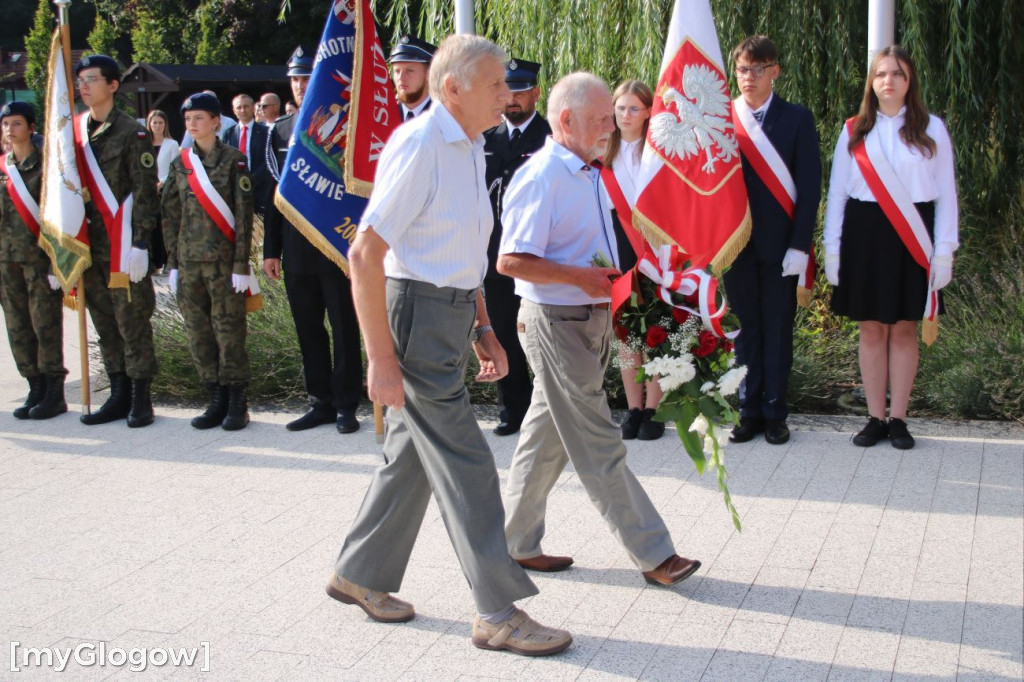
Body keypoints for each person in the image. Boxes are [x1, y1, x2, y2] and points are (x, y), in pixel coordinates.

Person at [328, 34, 572, 658]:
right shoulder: (421, 145)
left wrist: (483, 324)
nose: (508, 94)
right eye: (496, 85)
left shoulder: (468, 144)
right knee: (466, 461)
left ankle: (360, 572)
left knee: (413, 455)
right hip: (414, 318)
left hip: (448, 311)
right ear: (453, 87)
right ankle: (497, 612)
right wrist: (381, 360)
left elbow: (461, 252)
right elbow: (366, 254)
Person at [498, 72, 701, 585]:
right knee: (598, 441)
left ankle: (513, 545)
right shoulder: (542, 174)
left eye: (611, 119)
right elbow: (511, 261)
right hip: (554, 323)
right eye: (599, 120)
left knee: (544, 439)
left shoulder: (588, 170)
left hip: (588, 319)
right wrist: (583, 278)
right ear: (565, 120)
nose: (609, 128)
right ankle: (655, 554)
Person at [825, 45, 957, 450]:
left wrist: (944, 249)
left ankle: (898, 419)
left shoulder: (932, 128)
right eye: (881, 73)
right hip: (865, 235)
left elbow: (946, 195)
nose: (889, 81)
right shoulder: (854, 130)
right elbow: (837, 196)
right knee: (870, 328)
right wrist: (832, 248)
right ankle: (874, 418)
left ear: (909, 80)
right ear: (872, 81)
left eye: (898, 74)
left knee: (903, 329)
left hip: (913, 235)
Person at [723, 35, 822, 446]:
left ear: (774, 71)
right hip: (735, 245)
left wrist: (800, 245)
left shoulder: (797, 118)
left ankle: (776, 412)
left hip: (782, 245)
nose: (749, 77)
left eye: (758, 69)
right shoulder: (723, 118)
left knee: (778, 328)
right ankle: (748, 411)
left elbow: (810, 185)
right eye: (743, 69)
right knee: (745, 331)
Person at [263, 46, 362, 434]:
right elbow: (273, 196)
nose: (301, 84)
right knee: (308, 326)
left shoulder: (346, 128)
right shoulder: (281, 130)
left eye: (307, 77)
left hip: (336, 244)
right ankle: (319, 401)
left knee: (344, 327)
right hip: (296, 246)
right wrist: (271, 249)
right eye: (295, 79)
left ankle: (346, 404)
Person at [74, 54, 160, 428]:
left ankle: (141, 397)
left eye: (92, 79)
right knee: (104, 322)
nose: (84, 86)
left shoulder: (132, 132)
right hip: (89, 244)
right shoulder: (75, 133)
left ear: (112, 85)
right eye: (81, 80)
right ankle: (118, 391)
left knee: (132, 320)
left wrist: (142, 243)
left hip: (122, 242)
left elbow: (144, 192)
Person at [162, 92, 255, 431]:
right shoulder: (180, 163)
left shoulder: (234, 161)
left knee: (228, 332)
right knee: (198, 333)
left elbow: (244, 216)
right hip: (190, 263)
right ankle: (214, 397)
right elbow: (171, 215)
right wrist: (172, 262)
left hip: (224, 264)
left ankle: (236, 401)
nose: (192, 124)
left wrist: (242, 264)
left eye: (199, 118)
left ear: (216, 121)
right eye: (188, 119)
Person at [482, 57, 551, 437]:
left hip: (537, 255)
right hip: (495, 256)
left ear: (536, 93)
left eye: (521, 91)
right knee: (504, 332)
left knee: (540, 333)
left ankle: (547, 409)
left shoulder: (550, 136)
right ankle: (513, 408)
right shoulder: (486, 137)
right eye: (507, 91)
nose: (513, 99)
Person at [603, 79, 665, 441]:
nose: (625, 115)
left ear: (647, 113)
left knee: (656, 332)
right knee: (627, 336)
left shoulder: (660, 153)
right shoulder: (601, 154)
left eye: (634, 108)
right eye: (620, 107)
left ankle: (654, 410)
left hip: (654, 247)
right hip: (618, 247)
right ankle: (633, 408)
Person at [0, 101, 67, 420]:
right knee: (17, 326)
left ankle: (54, 391)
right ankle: (34, 386)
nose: (10, 130)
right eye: (5, 125)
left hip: (39, 262)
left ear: (30, 127)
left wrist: (57, 261)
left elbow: (58, 216)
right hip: (6, 261)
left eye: (16, 124)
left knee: (45, 325)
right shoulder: (3, 168)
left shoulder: (46, 167)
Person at [222, 93, 270, 214]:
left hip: (259, 189)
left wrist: (251, 180)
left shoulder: (265, 132)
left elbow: (268, 160)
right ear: (234, 110)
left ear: (253, 108)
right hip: (235, 189)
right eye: (239, 107)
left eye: (246, 106)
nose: (242, 110)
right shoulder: (229, 133)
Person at [146, 109, 179, 272]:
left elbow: (174, 167)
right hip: (147, 191)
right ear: (149, 124)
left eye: (160, 122)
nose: (157, 126)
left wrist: (161, 183)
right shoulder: (144, 143)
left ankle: (168, 262)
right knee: (150, 227)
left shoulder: (171, 144)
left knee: (164, 227)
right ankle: (153, 263)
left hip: (165, 191)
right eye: (154, 122)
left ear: (165, 124)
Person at [388, 35, 436, 120]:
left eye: (409, 71)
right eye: (397, 71)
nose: (401, 77)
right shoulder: (386, 119)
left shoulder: (442, 119)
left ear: (429, 74)